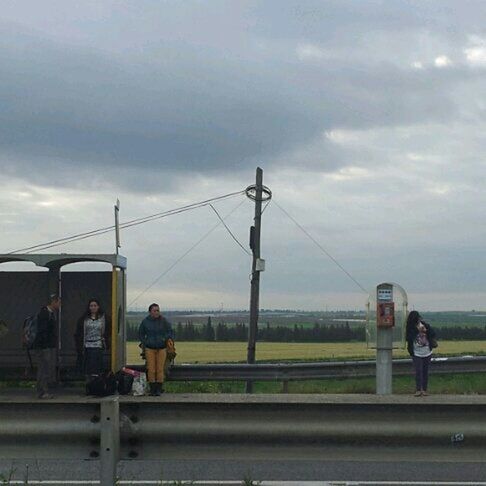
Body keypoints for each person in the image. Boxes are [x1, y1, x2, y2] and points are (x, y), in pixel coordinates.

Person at [138, 303, 174, 396]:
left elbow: (170, 331)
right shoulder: (145, 322)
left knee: (160, 369)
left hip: (162, 348)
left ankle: (159, 389)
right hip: (150, 348)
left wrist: (165, 339)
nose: (157, 312)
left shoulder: (164, 321)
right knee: (151, 369)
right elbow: (141, 333)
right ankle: (152, 389)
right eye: (155, 310)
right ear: (150, 312)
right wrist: (145, 342)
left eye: (158, 310)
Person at [74, 299, 111, 379]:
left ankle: (97, 382)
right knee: (88, 367)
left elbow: (109, 330)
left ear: (98, 307)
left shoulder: (104, 318)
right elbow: (79, 332)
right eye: (91, 306)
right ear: (89, 307)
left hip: (98, 344)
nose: (93, 307)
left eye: (95, 306)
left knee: (97, 366)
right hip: (87, 345)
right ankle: (89, 383)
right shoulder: (84, 319)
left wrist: (106, 340)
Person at [34, 294, 61, 399]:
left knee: (44, 368)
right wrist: (46, 345)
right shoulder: (45, 313)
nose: (59, 305)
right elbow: (43, 331)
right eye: (58, 302)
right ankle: (42, 391)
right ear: (53, 302)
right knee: (43, 368)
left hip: (45, 346)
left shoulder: (49, 313)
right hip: (43, 347)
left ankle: (42, 390)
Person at [406, 310, 436, 397]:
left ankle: (424, 390)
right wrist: (417, 330)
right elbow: (409, 338)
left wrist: (425, 330)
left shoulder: (425, 325)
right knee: (419, 371)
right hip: (416, 353)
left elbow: (433, 333)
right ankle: (419, 389)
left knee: (425, 371)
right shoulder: (410, 328)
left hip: (427, 352)